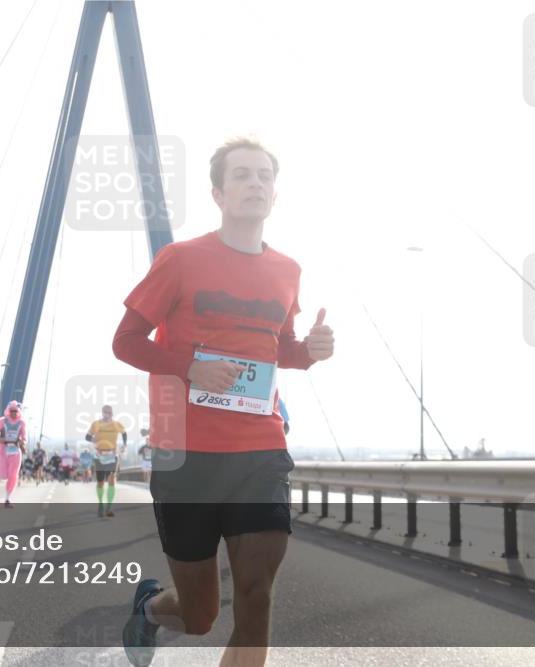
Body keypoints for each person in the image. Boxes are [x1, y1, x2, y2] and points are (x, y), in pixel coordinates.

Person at [113, 137, 335, 667]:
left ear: (275, 195)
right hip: (186, 455)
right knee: (200, 615)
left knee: (256, 597)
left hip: (259, 452)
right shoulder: (181, 259)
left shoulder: (287, 270)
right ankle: (149, 610)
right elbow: (125, 341)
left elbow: (277, 346)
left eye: (264, 175)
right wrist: (189, 367)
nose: (255, 183)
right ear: (218, 193)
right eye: (242, 175)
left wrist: (310, 353)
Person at [86, 405, 127, 518]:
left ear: (112, 413)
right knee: (100, 482)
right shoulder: (96, 424)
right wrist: (93, 439)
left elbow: (124, 433)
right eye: (105, 412)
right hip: (99, 455)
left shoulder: (116, 424)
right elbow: (87, 436)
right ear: (102, 413)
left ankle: (109, 507)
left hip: (112, 455)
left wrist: (124, 445)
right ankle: (100, 504)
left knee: (111, 480)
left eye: (109, 412)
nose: (107, 414)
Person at [0, 400, 26, 508]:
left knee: (13, 475)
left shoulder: (22, 423)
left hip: (15, 452)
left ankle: (7, 498)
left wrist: (21, 441)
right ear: (8, 411)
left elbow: (25, 437)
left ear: (18, 411)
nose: (14, 413)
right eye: (12, 411)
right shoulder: (2, 421)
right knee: (2, 474)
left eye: (15, 411)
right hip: (3, 451)